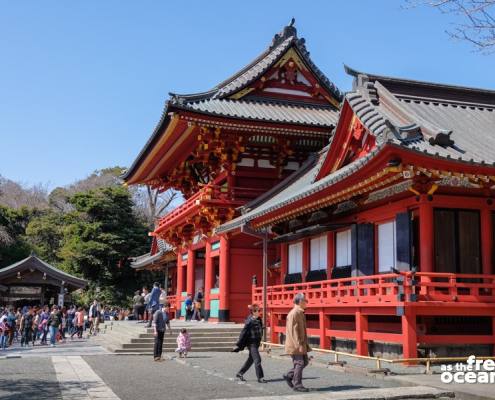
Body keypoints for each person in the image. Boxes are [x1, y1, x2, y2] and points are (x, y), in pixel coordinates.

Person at [283, 293, 311, 392]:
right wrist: (298, 345)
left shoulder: (299, 312)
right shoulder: (294, 313)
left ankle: (289, 375)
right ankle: (297, 384)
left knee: (305, 362)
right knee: (299, 363)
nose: (307, 303)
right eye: (305, 301)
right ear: (300, 302)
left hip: (300, 342)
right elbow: (292, 331)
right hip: (295, 343)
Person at [233, 304, 266, 383]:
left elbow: (259, 328)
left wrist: (262, 329)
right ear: (253, 312)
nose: (260, 312)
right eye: (258, 311)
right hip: (251, 343)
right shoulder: (249, 322)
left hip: (257, 342)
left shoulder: (259, 319)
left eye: (259, 310)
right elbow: (243, 333)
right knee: (257, 359)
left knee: (251, 360)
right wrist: (238, 344)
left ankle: (240, 373)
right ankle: (260, 378)